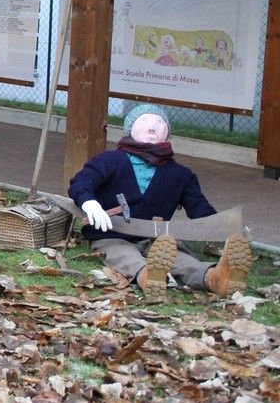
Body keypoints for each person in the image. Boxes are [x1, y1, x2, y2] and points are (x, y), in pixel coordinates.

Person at [68, 103, 252, 303]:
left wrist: (226, 225)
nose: (152, 127)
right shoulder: (109, 161)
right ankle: (148, 277)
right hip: (112, 235)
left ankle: (215, 278)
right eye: (144, 120)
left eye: (159, 122)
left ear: (167, 134)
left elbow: (200, 209)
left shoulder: (181, 175)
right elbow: (81, 182)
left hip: (158, 239)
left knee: (178, 258)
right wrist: (90, 203)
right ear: (130, 128)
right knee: (122, 255)